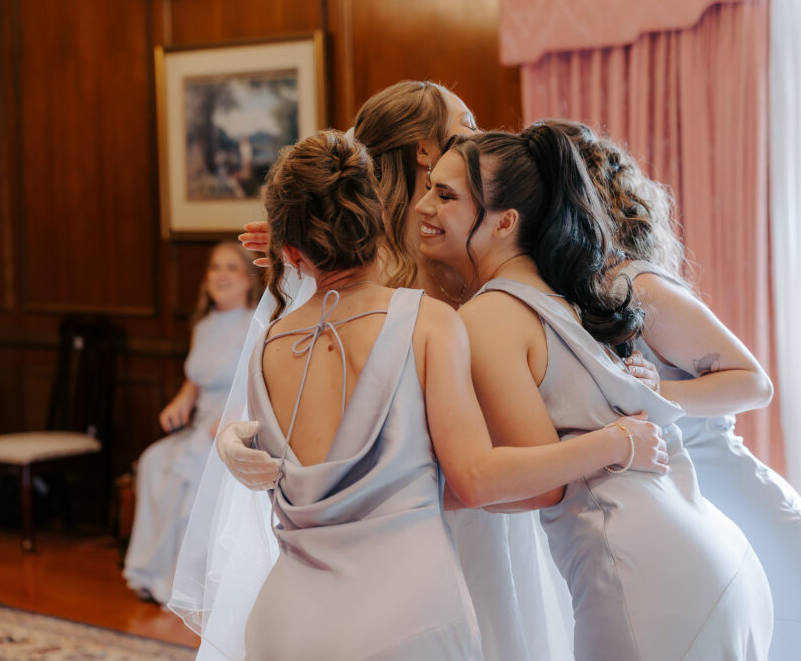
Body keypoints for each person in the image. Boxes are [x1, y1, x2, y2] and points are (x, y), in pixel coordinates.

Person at [236, 129, 668, 660]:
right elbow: (476, 479)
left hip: (284, 626)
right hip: (404, 620)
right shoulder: (430, 324)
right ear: (378, 218)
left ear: (289, 252)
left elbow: (278, 475)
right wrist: (616, 442)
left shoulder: (266, 346)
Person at [415, 124, 774, 660]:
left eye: (444, 195)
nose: (423, 205)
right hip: (710, 556)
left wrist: (411, 492)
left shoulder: (489, 315)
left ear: (505, 222)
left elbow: (541, 487)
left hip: (647, 577)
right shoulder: (559, 292)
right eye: (427, 187)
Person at [552, 119, 801, 660]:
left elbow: (754, 383)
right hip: (688, 521)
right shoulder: (582, 296)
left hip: (746, 515)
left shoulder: (635, 284)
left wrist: (660, 399)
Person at [124, 241, 260, 604]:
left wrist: (229, 420)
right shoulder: (204, 326)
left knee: (196, 467)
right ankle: (151, 570)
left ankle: (183, 581)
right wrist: (183, 399)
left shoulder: (256, 323)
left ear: (248, 278)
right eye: (215, 267)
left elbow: (259, 380)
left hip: (235, 426)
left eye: (231, 267)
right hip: (200, 425)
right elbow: (196, 379)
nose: (221, 275)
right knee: (154, 460)